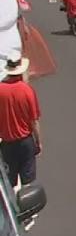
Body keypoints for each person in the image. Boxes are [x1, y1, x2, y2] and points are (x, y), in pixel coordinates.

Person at [0, 53, 42, 188]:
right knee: (28, 183)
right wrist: (38, 141)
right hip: (25, 142)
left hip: (7, 144)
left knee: (9, 184)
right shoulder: (27, 91)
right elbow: (34, 120)